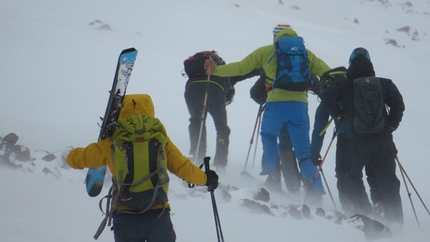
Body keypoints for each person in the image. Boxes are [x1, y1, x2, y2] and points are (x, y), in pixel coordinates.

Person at [205, 24, 331, 203]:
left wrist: (215, 70)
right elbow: (327, 72)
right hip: (300, 106)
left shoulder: (267, 51)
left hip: (276, 104)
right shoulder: (305, 53)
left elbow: (241, 68)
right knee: (304, 150)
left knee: (269, 135)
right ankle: (316, 191)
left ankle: (274, 175)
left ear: (276, 37)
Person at [67, 94, 219, 242]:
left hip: (125, 217)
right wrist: (206, 179)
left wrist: (89, 147)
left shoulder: (112, 142)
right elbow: (184, 169)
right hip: (158, 216)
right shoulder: (161, 140)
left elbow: (74, 160)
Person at [321, 48, 405, 225]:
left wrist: (340, 114)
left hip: (356, 140)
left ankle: (365, 216)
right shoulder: (384, 84)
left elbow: (326, 99)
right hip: (383, 141)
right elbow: (399, 105)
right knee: (387, 178)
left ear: (350, 63)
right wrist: (390, 125)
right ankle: (395, 220)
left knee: (352, 177)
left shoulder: (342, 84)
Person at [184, 51, 258, 171]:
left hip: (192, 89)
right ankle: (220, 162)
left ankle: (197, 154)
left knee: (197, 121)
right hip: (214, 90)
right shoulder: (226, 76)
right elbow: (243, 73)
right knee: (221, 126)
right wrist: (259, 69)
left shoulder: (196, 70)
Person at [309, 66, 357, 213]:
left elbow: (319, 130)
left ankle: (352, 212)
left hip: (346, 139)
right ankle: (380, 208)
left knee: (343, 174)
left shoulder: (329, 98)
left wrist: (314, 154)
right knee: (368, 175)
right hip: (373, 138)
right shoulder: (356, 87)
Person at [250, 70, 302, 194]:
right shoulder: (297, 69)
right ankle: (293, 183)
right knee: (287, 146)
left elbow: (254, 93)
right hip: (295, 110)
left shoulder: (270, 71)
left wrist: (265, 99)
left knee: (270, 140)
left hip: (275, 110)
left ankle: (274, 175)